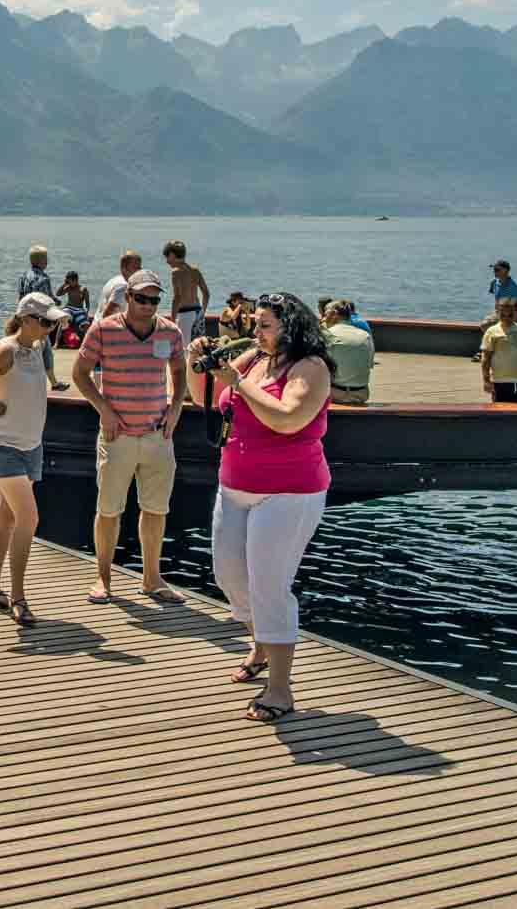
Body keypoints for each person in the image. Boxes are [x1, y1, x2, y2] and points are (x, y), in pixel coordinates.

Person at [204, 292, 334, 723]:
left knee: (269, 585)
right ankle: (259, 642)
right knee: (228, 574)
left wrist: (238, 383)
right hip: (235, 485)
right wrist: (199, 362)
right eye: (254, 324)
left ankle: (280, 687)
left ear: (290, 327)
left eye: (264, 325)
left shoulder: (310, 368)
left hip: (289, 491)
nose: (254, 332)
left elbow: (287, 418)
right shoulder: (254, 359)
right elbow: (201, 393)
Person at [0, 290, 71, 627]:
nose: (52, 328)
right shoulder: (6, 349)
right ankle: (19, 597)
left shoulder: (38, 348)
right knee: (29, 517)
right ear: (27, 319)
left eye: (54, 323)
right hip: (2, 444)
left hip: (30, 445)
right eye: (47, 322)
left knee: (5, 517)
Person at [74, 268, 187, 605]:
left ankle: (152, 579)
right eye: (141, 298)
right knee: (108, 510)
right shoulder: (104, 330)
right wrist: (103, 410)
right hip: (117, 435)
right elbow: (80, 374)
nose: (147, 305)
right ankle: (103, 578)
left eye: (154, 299)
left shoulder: (170, 332)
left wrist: (176, 405)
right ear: (128, 298)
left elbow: (179, 371)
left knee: (156, 509)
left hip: (158, 436)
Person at [15, 246, 68, 390]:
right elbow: (45, 299)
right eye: (46, 259)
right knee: (46, 349)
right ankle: (54, 383)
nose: (47, 261)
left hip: (25, 316)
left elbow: (20, 298)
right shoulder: (44, 278)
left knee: (24, 348)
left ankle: (24, 378)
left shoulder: (23, 276)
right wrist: (57, 302)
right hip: (39, 320)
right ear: (42, 261)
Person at [320, 299, 375, 405]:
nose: (323, 318)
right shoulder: (365, 336)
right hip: (361, 394)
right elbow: (370, 365)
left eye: (325, 314)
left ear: (335, 314)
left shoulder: (328, 334)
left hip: (334, 393)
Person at [162, 240, 210, 344]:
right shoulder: (195, 270)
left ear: (172, 255)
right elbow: (206, 293)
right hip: (198, 312)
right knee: (198, 348)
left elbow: (177, 297)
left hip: (185, 315)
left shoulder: (176, 272)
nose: (167, 261)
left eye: (167, 257)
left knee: (184, 348)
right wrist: (203, 313)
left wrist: (172, 320)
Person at [98, 249, 142, 320]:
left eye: (139, 268)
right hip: (109, 328)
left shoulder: (114, 280)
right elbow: (106, 315)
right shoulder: (123, 287)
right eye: (135, 268)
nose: (139, 271)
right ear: (123, 268)